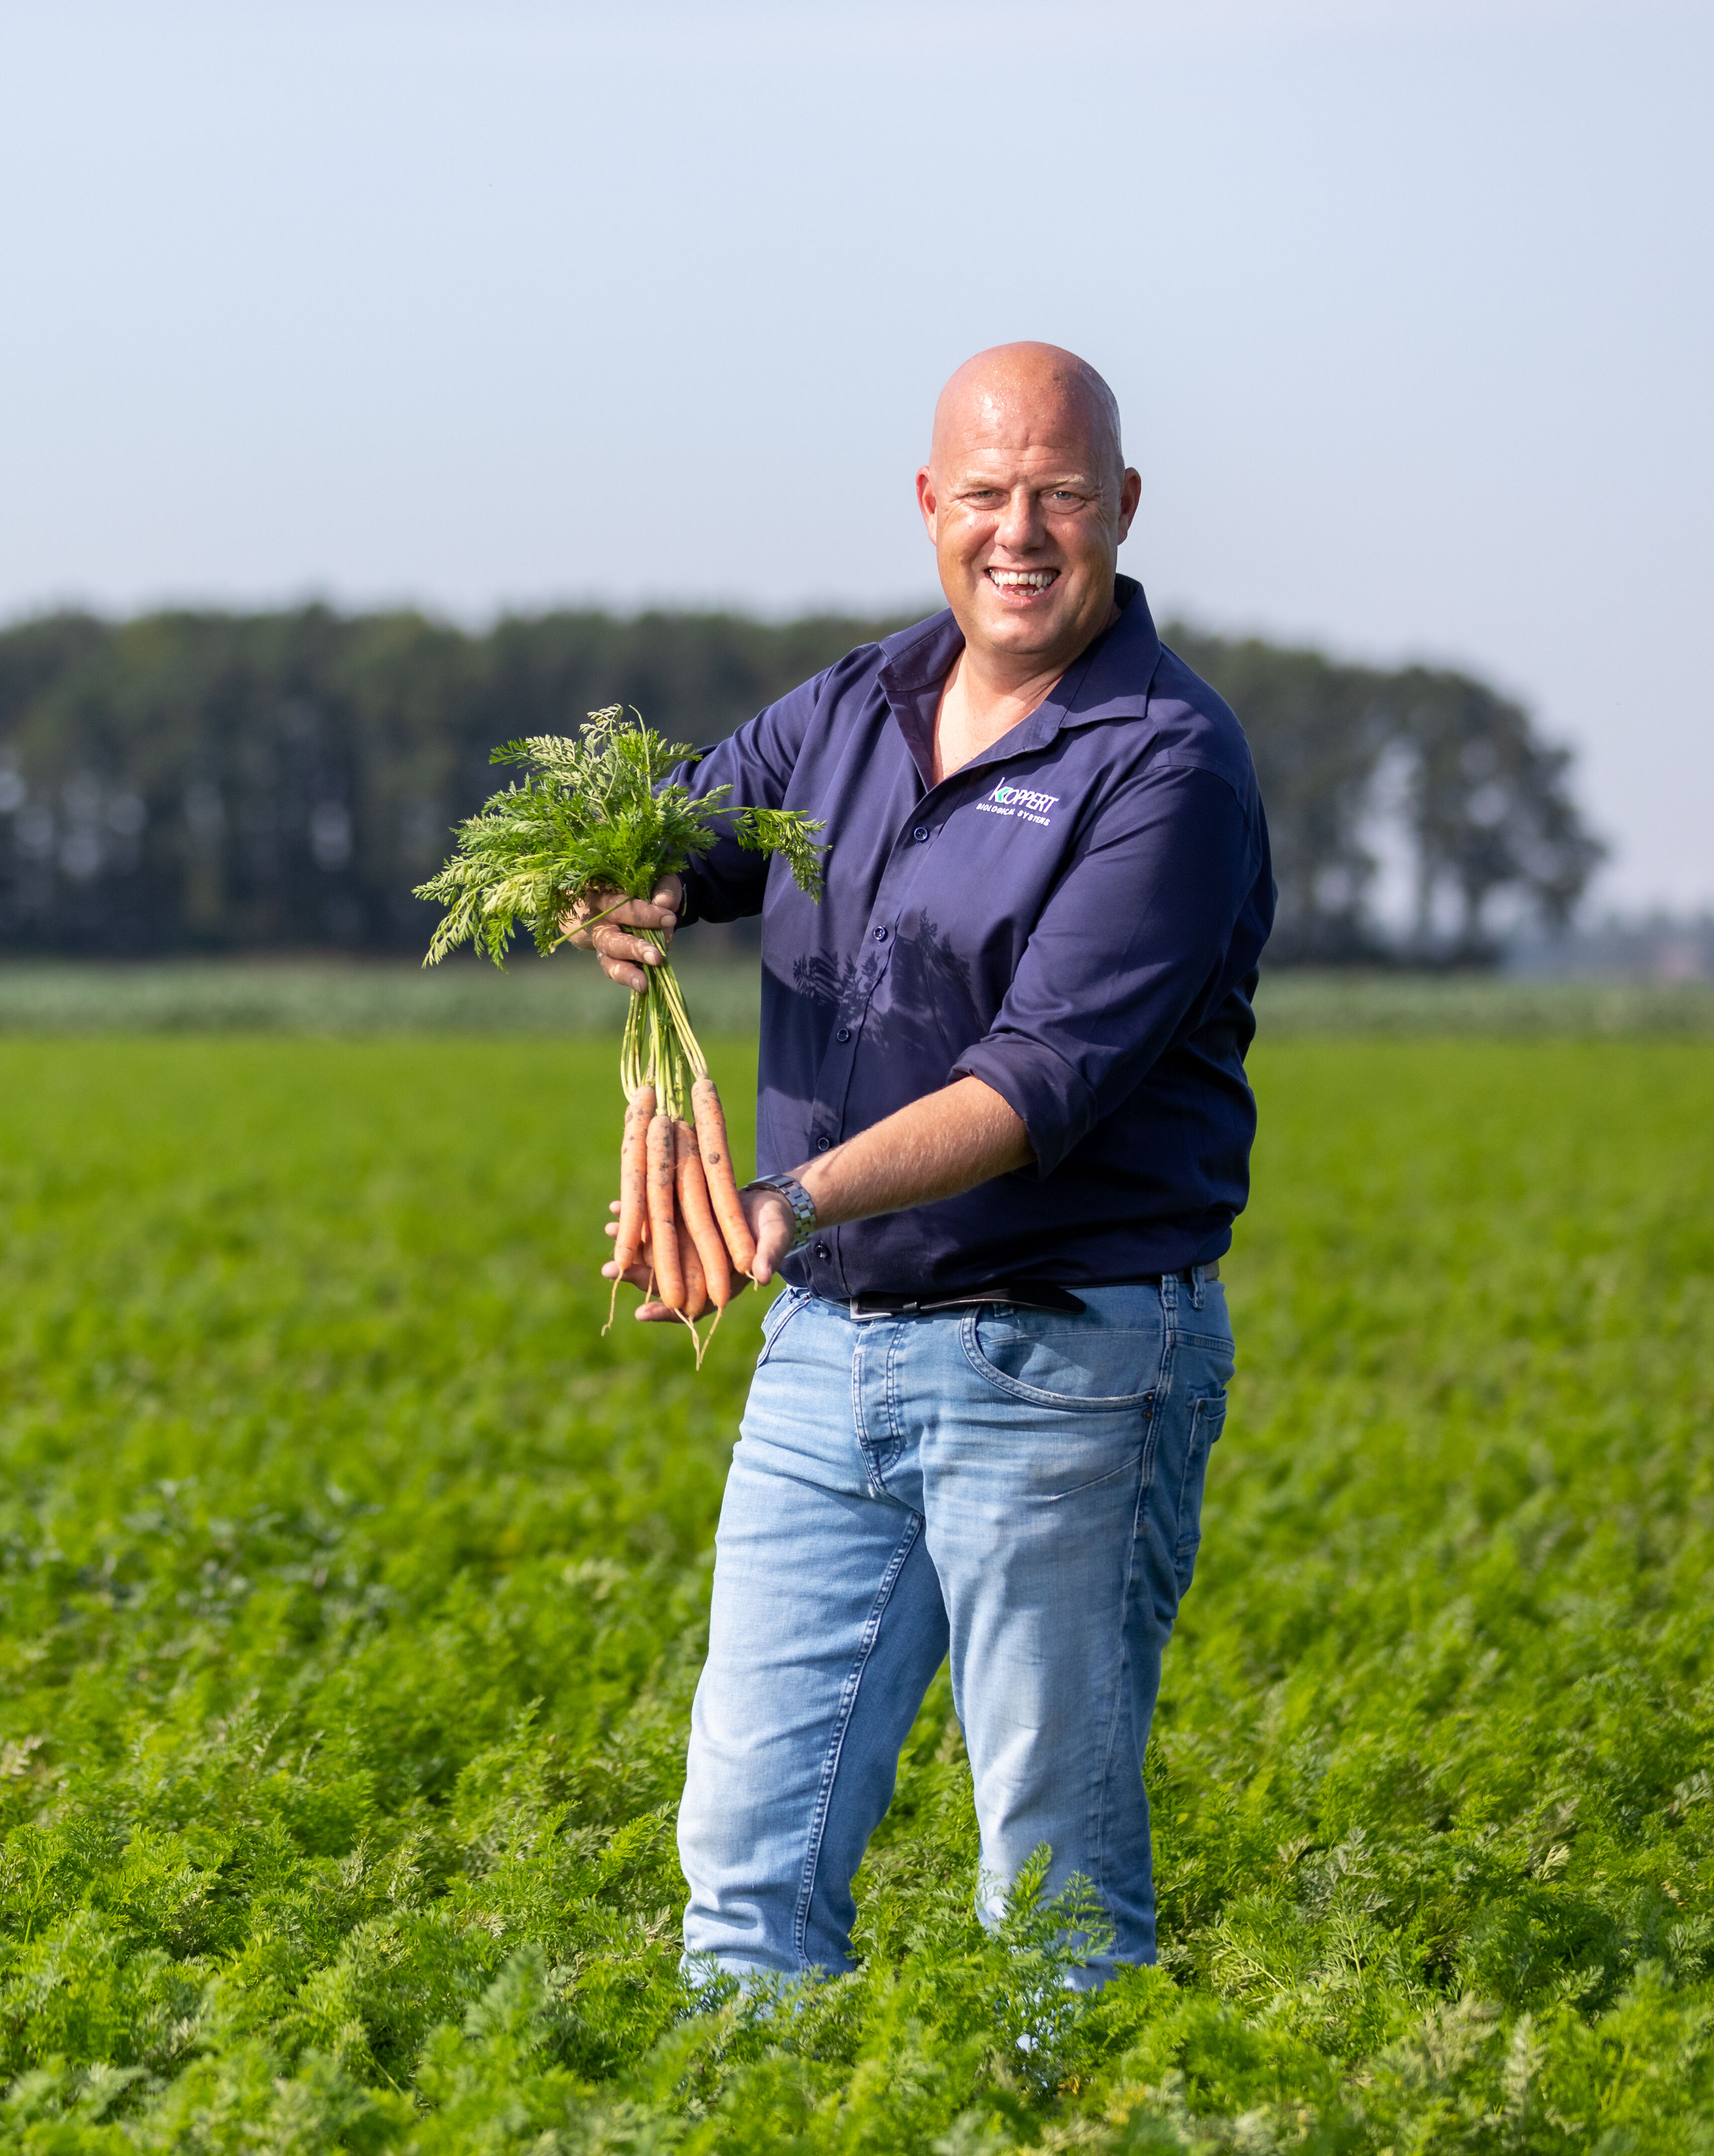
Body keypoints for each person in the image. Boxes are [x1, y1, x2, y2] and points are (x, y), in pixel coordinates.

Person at [570, 343, 1274, 1983]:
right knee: (746, 1859)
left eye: (1058, 496)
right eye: (983, 495)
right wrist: (619, 890)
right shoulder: (857, 706)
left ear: (1123, 508)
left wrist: (785, 1197)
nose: (1017, 531)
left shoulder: (1165, 761)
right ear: (927, 507)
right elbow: (677, 829)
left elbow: (1040, 1082)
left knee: (1050, 1894)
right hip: (830, 1352)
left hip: (1062, 1361)